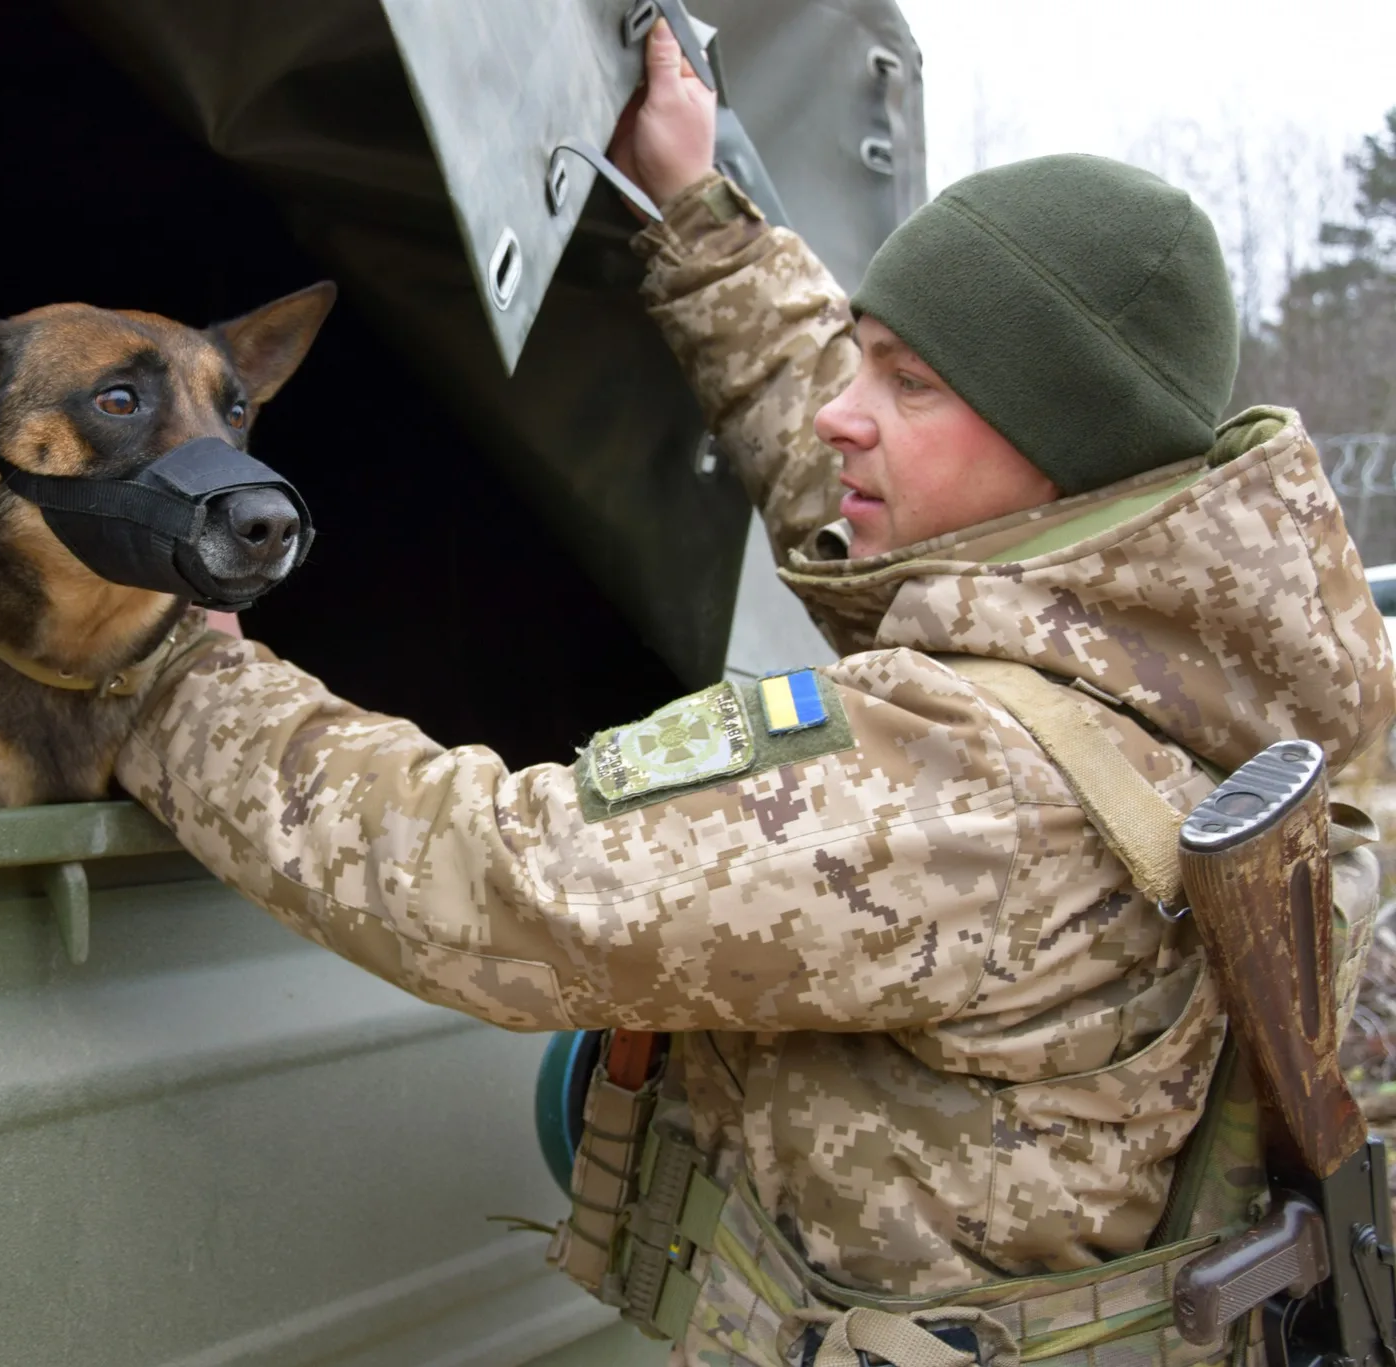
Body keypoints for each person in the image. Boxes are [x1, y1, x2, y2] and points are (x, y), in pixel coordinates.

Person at [117, 21, 1396, 1364]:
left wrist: (171, 679)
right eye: (860, 356)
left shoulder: (968, 785)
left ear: (1058, 453)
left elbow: (503, 882)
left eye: (907, 382)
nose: (847, 413)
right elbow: (855, 471)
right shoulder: (1237, 643)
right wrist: (699, 213)